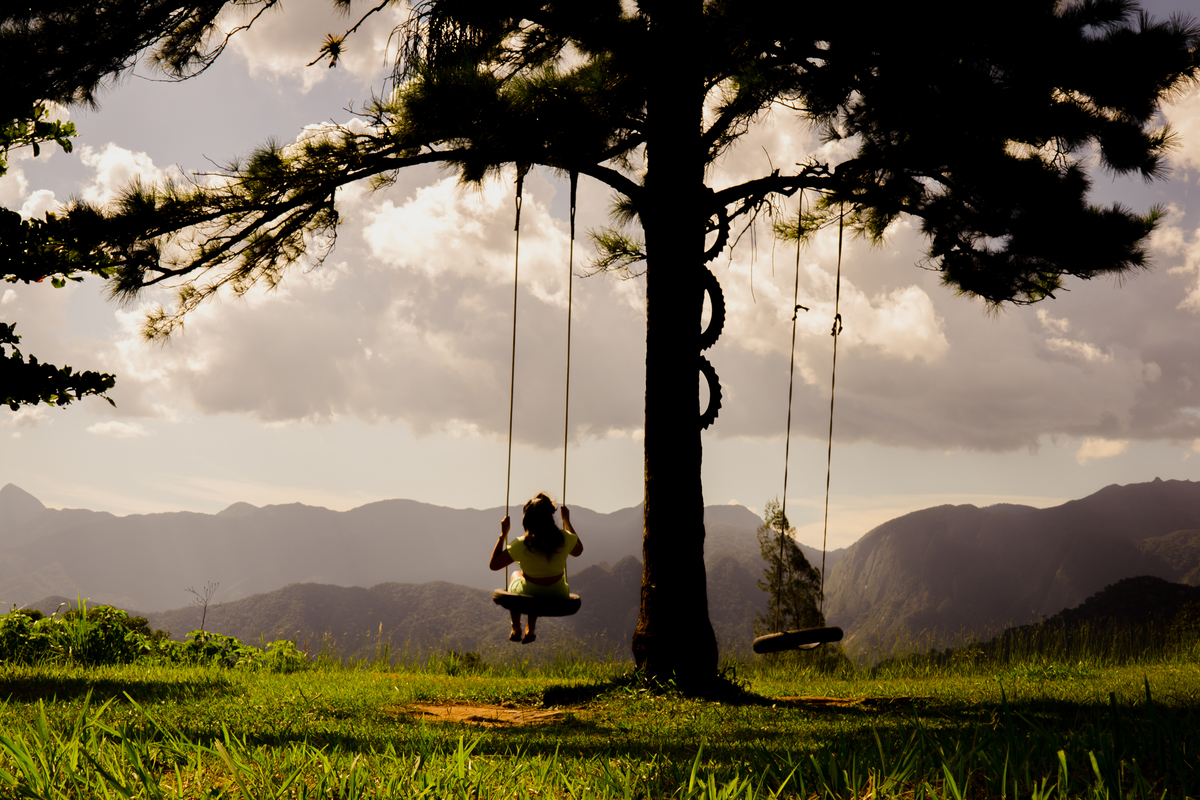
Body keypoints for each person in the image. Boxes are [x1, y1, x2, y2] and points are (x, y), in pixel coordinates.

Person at [488, 492, 583, 644]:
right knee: (535, 587)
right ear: (550, 517)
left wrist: (503, 535)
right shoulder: (563, 538)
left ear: (527, 520)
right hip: (558, 594)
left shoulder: (522, 543)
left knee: (517, 576)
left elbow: (494, 565)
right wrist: (567, 522)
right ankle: (530, 629)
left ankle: (516, 626)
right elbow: (578, 551)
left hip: (530, 593)